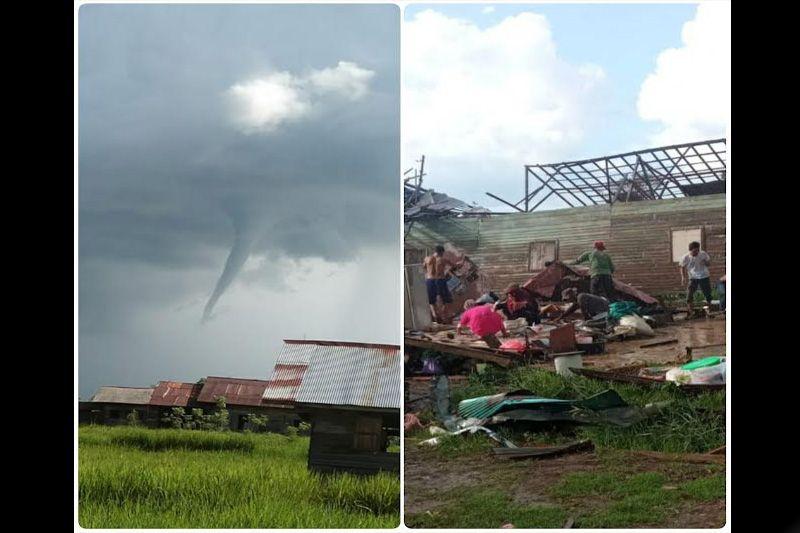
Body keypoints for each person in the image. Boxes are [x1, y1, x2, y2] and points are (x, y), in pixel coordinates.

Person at [423, 244, 457, 322]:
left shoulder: (427, 259)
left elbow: (424, 267)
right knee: (447, 300)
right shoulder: (443, 259)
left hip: (430, 280)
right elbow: (454, 266)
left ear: (435, 251)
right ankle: (443, 315)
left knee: (431, 301)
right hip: (440, 280)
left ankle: (435, 315)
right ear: (441, 252)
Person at [680, 241, 712, 313]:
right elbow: (682, 267)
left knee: (707, 293)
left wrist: (705, 262)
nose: (696, 252)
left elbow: (709, 264)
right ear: (690, 250)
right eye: (695, 251)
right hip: (693, 277)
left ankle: (709, 310)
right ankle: (691, 311)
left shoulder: (703, 254)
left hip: (704, 276)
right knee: (689, 293)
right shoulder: (686, 257)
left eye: (698, 250)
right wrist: (683, 277)